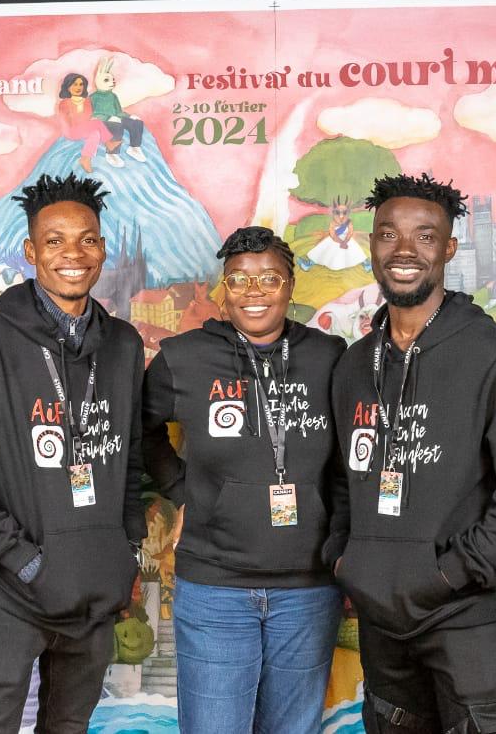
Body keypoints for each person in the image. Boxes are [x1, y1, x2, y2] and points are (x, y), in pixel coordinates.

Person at [325, 174, 496, 734]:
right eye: (389, 234)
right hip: (383, 625)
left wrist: (448, 573)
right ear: (372, 244)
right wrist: (346, 559)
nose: (404, 250)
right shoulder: (355, 364)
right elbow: (340, 478)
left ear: (449, 249)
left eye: (425, 236)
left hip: (467, 617)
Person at [0, 173, 147, 734]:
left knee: (68, 726)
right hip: (15, 590)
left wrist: (125, 551)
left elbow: (130, 459)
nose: (73, 254)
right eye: (55, 241)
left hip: (95, 587)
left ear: (103, 248)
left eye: (87, 239)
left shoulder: (124, 345)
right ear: (30, 251)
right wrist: (23, 559)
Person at [143, 226, 347, 734]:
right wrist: (180, 492)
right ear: (223, 289)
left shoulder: (329, 356)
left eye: (269, 278)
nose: (254, 291)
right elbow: (139, 432)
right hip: (215, 588)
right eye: (238, 279)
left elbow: (349, 460)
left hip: (308, 590)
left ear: (290, 285)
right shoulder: (183, 358)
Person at [57, 72, 122, 172]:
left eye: (81, 84)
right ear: (68, 86)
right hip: (71, 131)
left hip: (84, 129)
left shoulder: (87, 101)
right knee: (97, 123)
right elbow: (68, 122)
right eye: (75, 84)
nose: (78, 87)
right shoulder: (64, 103)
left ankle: (86, 159)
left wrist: (87, 121)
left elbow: (88, 117)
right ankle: (109, 143)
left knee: (95, 133)